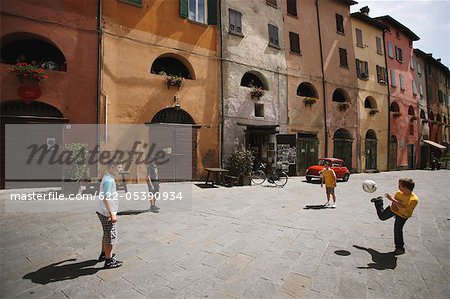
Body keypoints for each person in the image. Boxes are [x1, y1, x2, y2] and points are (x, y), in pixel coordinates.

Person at [370, 178, 419, 255]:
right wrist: (394, 206)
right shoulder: (398, 193)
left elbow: (403, 206)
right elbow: (396, 204)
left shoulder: (413, 199)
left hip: (403, 215)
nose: (398, 187)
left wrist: (391, 199)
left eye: (400, 186)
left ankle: (400, 248)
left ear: (406, 187)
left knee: (398, 230)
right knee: (382, 217)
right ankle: (379, 202)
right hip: (394, 209)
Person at [96, 160, 123, 269]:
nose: (120, 170)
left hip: (102, 211)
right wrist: (112, 214)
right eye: (119, 168)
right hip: (106, 212)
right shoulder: (109, 180)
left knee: (106, 233)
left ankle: (104, 254)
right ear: (112, 167)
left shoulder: (107, 177)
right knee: (110, 236)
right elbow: (105, 198)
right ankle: (109, 260)